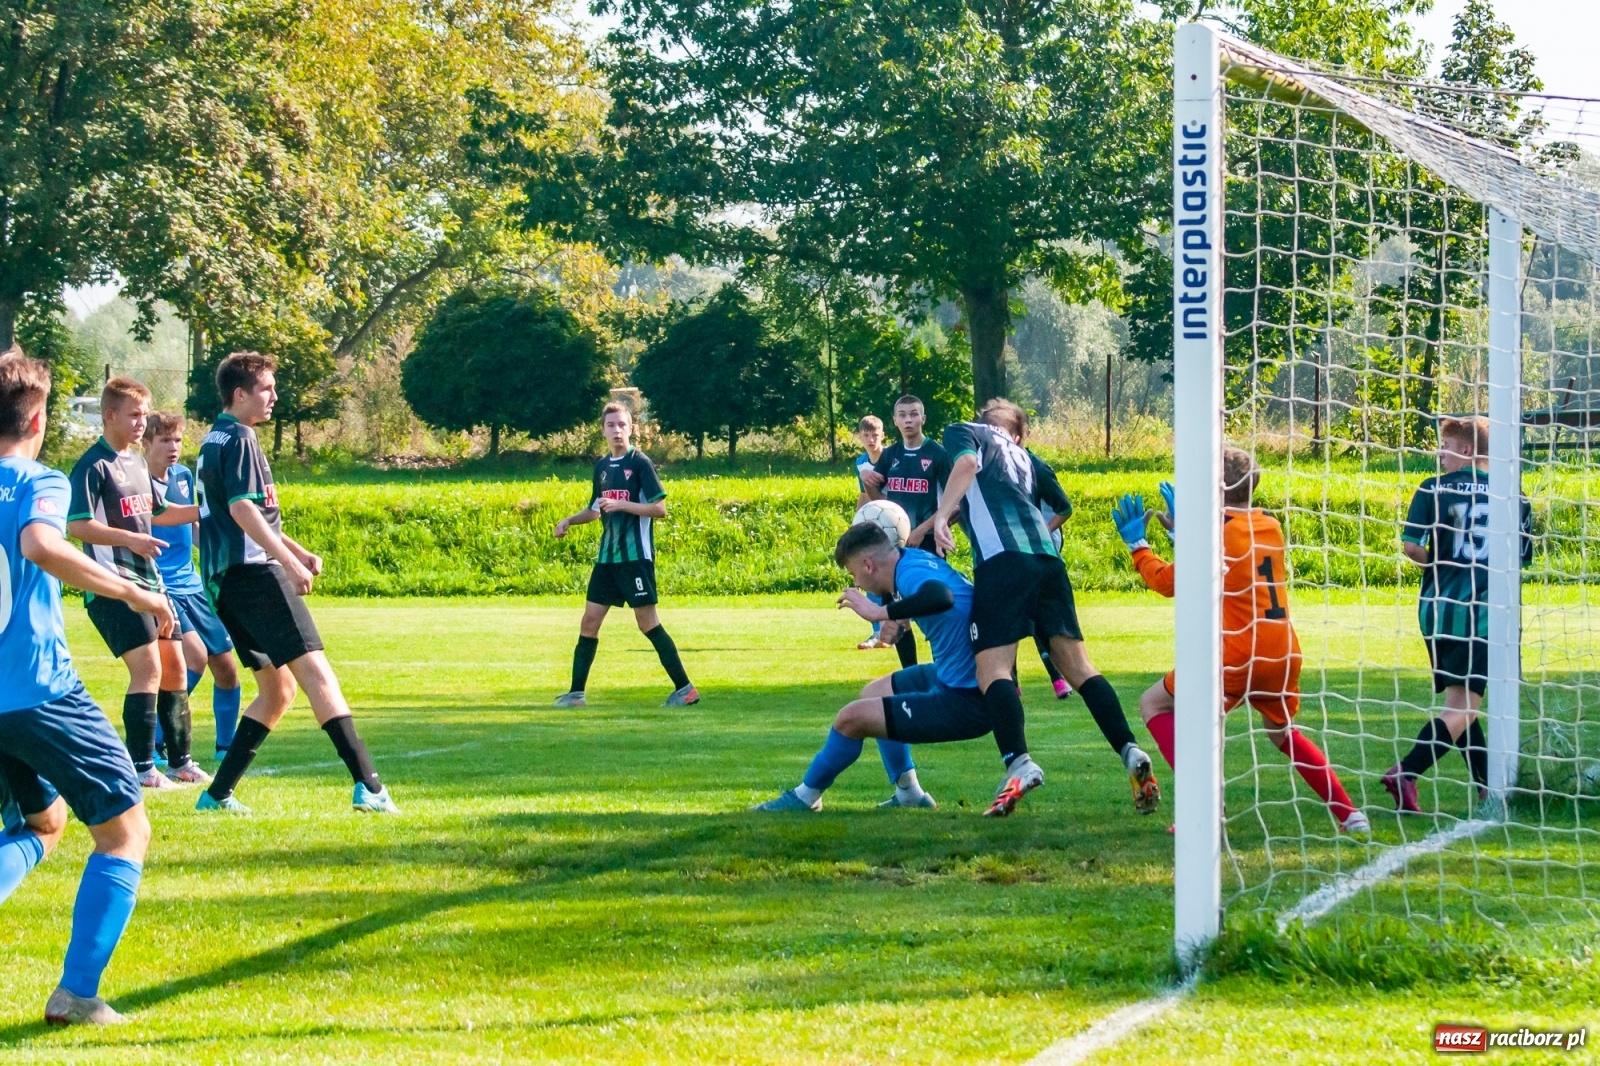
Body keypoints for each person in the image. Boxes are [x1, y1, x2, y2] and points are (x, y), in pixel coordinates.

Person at [0, 349, 173, 1024]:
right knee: (125, 832)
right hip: (39, 693)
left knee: (44, 823)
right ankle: (76, 995)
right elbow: (42, 545)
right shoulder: (34, 480)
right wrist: (131, 588)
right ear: (39, 418)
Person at [1113, 448, 1368, 835]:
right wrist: (1183, 533)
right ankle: (1351, 815)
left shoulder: (1216, 531)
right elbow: (1229, 563)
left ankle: (1205, 809)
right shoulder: (1271, 525)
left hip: (1236, 653)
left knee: (1155, 703)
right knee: (1283, 735)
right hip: (1282, 652)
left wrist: (1139, 547)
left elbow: (1170, 583)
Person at [931, 399, 1158, 817]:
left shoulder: (966, 431)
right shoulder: (1029, 458)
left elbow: (965, 466)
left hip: (1002, 564)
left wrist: (942, 516)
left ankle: (1019, 763)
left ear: (987, 422)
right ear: (1019, 434)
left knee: (993, 670)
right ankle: (1129, 750)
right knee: (1080, 668)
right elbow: (1058, 506)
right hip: (1049, 563)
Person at [194, 351, 399, 814]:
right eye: (265, 388)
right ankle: (369, 786)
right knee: (317, 674)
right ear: (240, 393)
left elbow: (246, 510)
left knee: (277, 690)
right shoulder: (242, 438)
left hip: (227, 582)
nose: (274, 397)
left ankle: (216, 795)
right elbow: (244, 511)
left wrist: (296, 548)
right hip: (253, 576)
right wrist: (286, 561)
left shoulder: (214, 439)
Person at [753, 523, 998, 812]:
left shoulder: (909, 573)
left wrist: (878, 612)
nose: (858, 584)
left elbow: (941, 597)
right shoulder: (911, 560)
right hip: (962, 677)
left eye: (854, 575)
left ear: (868, 565)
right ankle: (909, 793)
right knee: (874, 693)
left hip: (968, 698)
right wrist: (900, 620)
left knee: (850, 718)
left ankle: (806, 797)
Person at [66, 378, 210, 789]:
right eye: (133, 414)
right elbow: (78, 525)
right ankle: (142, 767)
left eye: (144, 415)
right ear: (109, 415)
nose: (140, 423)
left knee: (176, 668)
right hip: (114, 587)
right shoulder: (93, 465)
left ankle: (180, 762)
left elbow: (160, 511)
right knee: (147, 669)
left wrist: (208, 510)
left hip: (152, 584)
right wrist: (130, 538)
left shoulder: (135, 464)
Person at [1384, 416, 1531, 813]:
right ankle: (1408, 771)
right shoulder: (1512, 496)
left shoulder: (1432, 489)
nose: (1439, 454)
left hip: (1437, 612)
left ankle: (1486, 787)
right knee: (1464, 707)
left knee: (1460, 703)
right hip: (1482, 615)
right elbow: (1520, 561)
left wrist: (1442, 564)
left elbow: (1412, 547)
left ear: (1466, 450)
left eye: (1444, 446)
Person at [553, 402, 698, 708]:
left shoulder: (641, 463)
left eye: (622, 425)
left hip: (635, 559)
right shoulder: (602, 467)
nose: (617, 430)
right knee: (589, 622)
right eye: (611, 425)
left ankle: (685, 689)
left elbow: (660, 509)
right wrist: (569, 520)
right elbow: (595, 510)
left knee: (647, 623)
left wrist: (622, 505)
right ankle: (576, 694)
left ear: (632, 428)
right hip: (607, 560)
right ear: (603, 430)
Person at [143, 412, 242, 762]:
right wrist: (209, 510)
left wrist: (224, 551)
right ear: (146, 443)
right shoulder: (139, 483)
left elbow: (194, 530)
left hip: (193, 587)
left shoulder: (184, 477)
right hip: (162, 588)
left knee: (228, 669)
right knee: (194, 658)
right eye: (164, 441)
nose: (173, 448)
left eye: (178, 441)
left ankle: (225, 749)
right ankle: (153, 739)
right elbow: (164, 517)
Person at [861, 395, 950, 669]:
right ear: (895, 421)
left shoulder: (937, 454)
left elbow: (953, 503)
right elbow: (879, 504)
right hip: (894, 549)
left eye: (914, 414)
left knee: (934, 612)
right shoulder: (890, 455)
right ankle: (910, 674)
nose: (908, 420)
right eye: (903, 415)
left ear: (923, 418)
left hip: (926, 547)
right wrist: (869, 483)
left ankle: (946, 673)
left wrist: (922, 530)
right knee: (897, 617)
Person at [1029, 450, 1073, 700]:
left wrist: (1041, 534)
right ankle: (1012, 682)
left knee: (1037, 615)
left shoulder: (1037, 467)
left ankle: (1059, 675)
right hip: (1011, 549)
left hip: (1043, 550)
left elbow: (1064, 508)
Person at [851, 414, 890, 650]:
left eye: (875, 434)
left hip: (896, 525)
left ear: (883, 435)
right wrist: (856, 525)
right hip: (874, 529)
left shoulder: (894, 458)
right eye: (866, 435)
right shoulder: (860, 462)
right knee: (870, 575)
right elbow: (864, 495)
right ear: (860, 437)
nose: (871, 439)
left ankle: (895, 628)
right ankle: (877, 633)